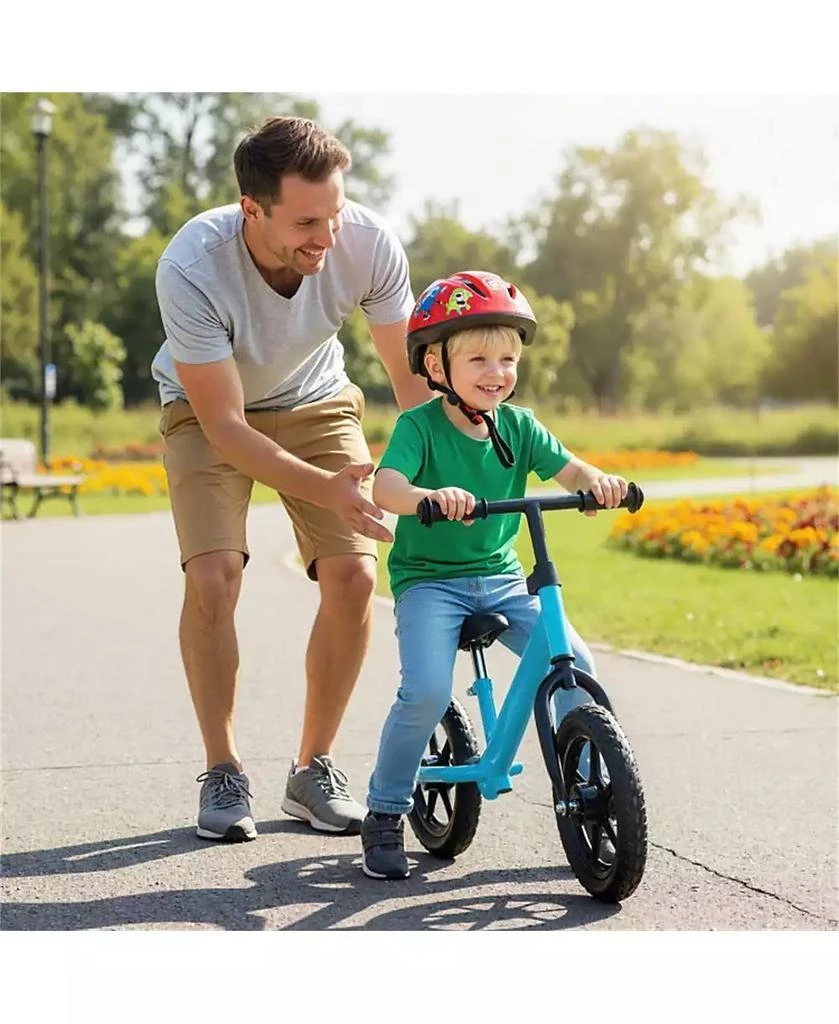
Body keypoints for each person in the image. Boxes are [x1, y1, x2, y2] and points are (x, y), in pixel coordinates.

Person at [151, 116, 430, 843]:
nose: (326, 235)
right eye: (306, 220)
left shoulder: (365, 240)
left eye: (333, 213)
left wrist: (452, 474)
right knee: (213, 576)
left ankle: (313, 769)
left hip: (316, 399)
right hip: (209, 410)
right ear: (253, 209)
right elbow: (227, 430)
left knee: (354, 577)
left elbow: (412, 386)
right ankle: (223, 770)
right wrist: (327, 488)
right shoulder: (192, 265)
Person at [358, 270, 629, 880]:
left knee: (576, 666)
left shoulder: (520, 426)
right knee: (426, 691)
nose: (496, 371)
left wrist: (598, 485)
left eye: (507, 357)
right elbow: (387, 486)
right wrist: (429, 493)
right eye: (478, 356)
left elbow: (570, 469)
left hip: (503, 576)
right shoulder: (419, 427)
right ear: (435, 365)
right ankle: (384, 810)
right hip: (431, 582)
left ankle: (590, 789)